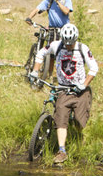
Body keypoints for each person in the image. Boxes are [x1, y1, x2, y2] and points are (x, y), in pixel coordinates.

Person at [28, 23, 98, 164]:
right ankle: (62, 151)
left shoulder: (82, 48)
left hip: (80, 90)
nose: (68, 47)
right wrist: (35, 70)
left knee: (79, 120)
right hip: (63, 89)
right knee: (60, 117)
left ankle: (78, 134)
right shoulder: (56, 45)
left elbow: (94, 68)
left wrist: (83, 85)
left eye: (70, 44)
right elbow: (41, 52)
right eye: (66, 44)